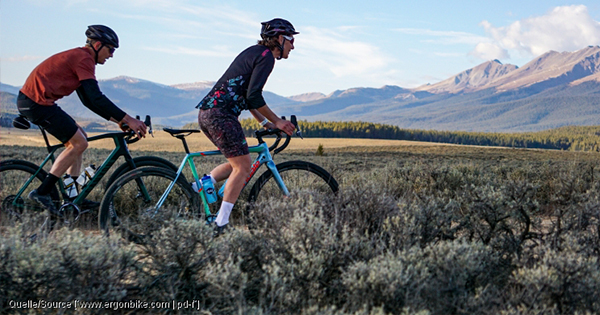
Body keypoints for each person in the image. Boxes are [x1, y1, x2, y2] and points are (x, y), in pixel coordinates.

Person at [17, 25, 148, 216]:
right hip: (36, 103)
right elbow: (96, 97)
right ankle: (42, 192)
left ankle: (71, 198)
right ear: (97, 45)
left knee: (80, 139)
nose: (111, 55)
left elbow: (88, 101)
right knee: (78, 143)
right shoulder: (83, 59)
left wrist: (117, 120)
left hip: (38, 102)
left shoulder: (81, 58)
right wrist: (128, 119)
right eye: (110, 49)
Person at [196, 18, 298, 233]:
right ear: (279, 38)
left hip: (209, 113)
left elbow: (247, 95)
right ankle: (221, 223)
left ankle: (199, 186)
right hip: (221, 115)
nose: (293, 45)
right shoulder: (266, 57)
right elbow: (254, 96)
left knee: (238, 161)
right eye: (290, 40)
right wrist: (278, 121)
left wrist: (265, 122)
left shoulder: (254, 52)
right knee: (242, 167)